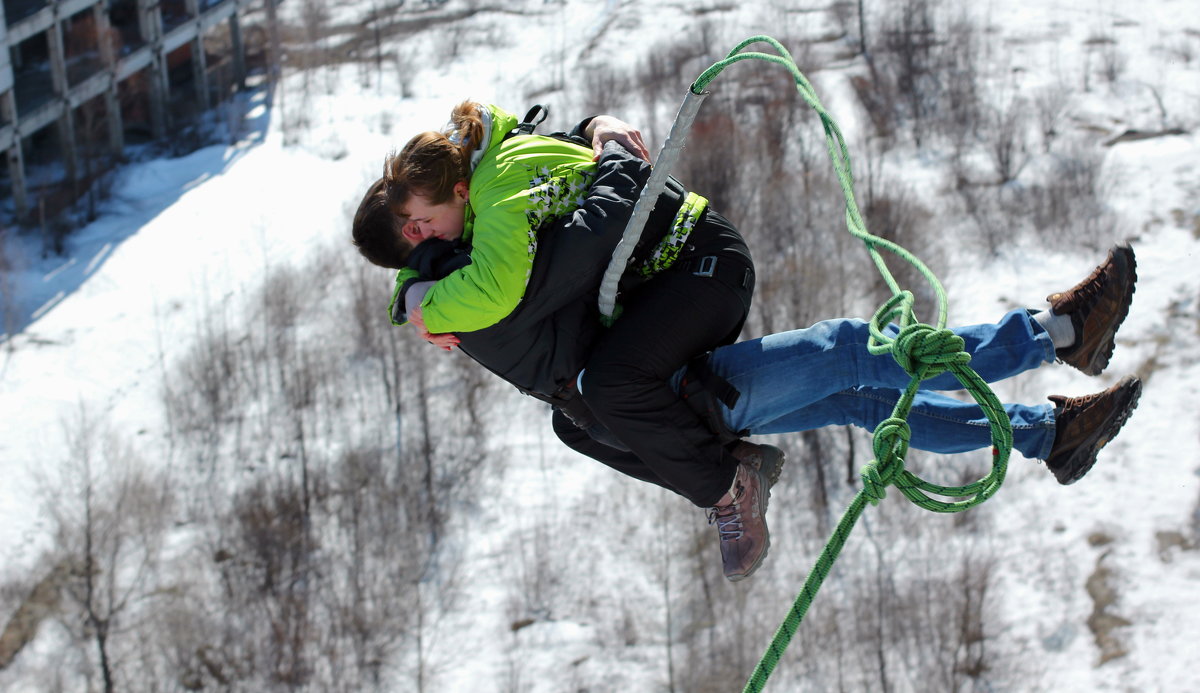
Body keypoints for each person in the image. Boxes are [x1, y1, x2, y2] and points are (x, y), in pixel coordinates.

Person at [353, 111, 1142, 582]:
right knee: (851, 353)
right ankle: (1060, 334)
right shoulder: (475, 290)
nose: (431, 221)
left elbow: (546, 185)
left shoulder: (476, 258)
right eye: (416, 224)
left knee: (858, 394)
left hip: (664, 376)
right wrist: (615, 161)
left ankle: (1048, 435)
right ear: (414, 247)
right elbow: (586, 237)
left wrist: (588, 131)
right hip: (682, 391)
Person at [352, 103, 777, 580]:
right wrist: (411, 291)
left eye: (422, 229)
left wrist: (427, 304)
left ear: (454, 189)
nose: (430, 241)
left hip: (699, 261)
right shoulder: (477, 189)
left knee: (609, 385)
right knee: (575, 422)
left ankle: (730, 486)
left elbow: (500, 293)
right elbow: (565, 153)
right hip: (663, 280)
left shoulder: (497, 186)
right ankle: (730, 466)